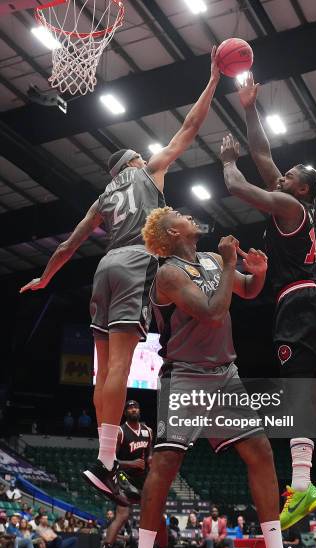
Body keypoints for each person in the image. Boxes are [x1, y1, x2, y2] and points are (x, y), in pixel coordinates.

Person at [19, 49, 221, 507]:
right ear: (132, 161)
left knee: (103, 368)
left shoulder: (103, 198)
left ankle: (105, 459)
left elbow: (68, 246)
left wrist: (45, 279)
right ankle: (105, 462)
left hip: (104, 268)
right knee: (119, 369)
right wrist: (210, 82)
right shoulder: (148, 171)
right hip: (134, 263)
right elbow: (189, 128)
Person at [125, 207, 316, 548]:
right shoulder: (168, 273)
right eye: (178, 214)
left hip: (225, 374)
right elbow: (213, 312)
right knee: (166, 461)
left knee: (261, 452)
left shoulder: (212, 260)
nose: (186, 215)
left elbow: (247, 289)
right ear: (170, 232)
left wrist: (259, 272)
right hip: (184, 374)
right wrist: (231, 261)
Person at [220, 72, 316, 540]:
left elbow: (239, 186)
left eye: (289, 178)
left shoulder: (289, 208)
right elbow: (264, 155)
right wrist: (250, 108)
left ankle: (304, 486)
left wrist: (227, 161)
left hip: (298, 305)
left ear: (302, 190)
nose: (281, 175)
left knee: (298, 398)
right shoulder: (293, 204)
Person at [92, 400, 183, 548]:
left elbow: (149, 453)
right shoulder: (120, 432)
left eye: (136, 407)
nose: (134, 409)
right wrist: (130, 463)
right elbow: (108, 460)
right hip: (124, 478)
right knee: (123, 514)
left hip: (144, 480)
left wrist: (150, 459)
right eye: (130, 408)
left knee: (160, 520)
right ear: (125, 412)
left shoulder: (148, 431)